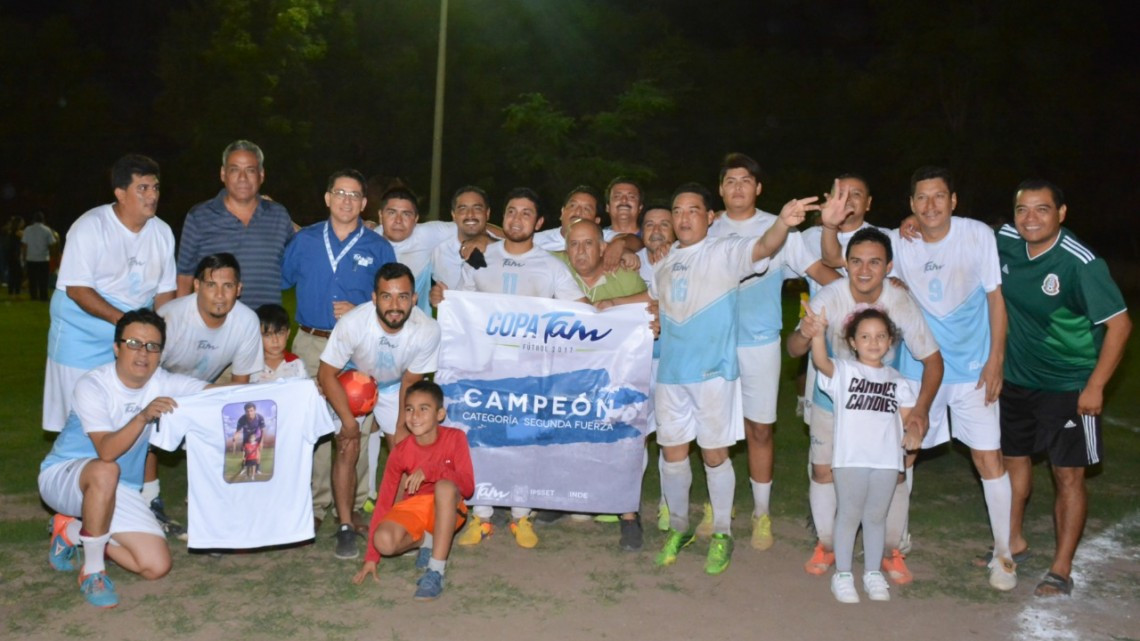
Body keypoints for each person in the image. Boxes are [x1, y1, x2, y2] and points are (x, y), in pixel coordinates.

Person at [824, 166, 1018, 591]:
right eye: (921, 199)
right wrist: (830, 222)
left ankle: (1003, 555)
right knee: (903, 455)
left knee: (989, 458)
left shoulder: (977, 236)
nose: (930, 206)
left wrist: (996, 360)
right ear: (910, 205)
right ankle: (895, 539)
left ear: (953, 201)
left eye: (939, 197)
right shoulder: (899, 241)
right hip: (918, 370)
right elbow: (844, 255)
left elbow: (995, 299)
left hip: (971, 370)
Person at [653, 181, 818, 575]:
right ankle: (678, 528)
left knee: (713, 454)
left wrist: (782, 222)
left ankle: (723, 533)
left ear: (710, 218)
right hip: (671, 376)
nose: (683, 217)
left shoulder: (724, 252)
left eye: (693, 210)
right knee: (673, 455)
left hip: (713, 375)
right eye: (677, 211)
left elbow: (761, 249)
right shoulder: (662, 261)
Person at [997, 179, 1131, 597]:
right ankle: (1012, 543)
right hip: (1016, 380)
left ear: (1061, 213)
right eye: (1022, 210)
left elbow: (1120, 326)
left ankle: (1061, 568)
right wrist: (911, 221)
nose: (1030, 219)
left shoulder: (1081, 263)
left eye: (1042, 209)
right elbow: (961, 230)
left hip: (1067, 384)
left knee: (1067, 475)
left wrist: (1095, 387)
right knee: (1012, 462)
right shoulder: (1008, 242)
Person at [704, 153, 840, 550]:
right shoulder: (707, 229)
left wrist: (871, 294)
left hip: (760, 343)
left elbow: (820, 274)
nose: (738, 187)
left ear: (758, 188)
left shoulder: (782, 230)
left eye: (746, 180)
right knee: (715, 431)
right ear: (720, 189)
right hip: (713, 345)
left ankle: (761, 514)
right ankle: (718, 506)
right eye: (730, 181)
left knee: (760, 428)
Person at [791, 228, 943, 583]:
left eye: (874, 262)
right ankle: (826, 544)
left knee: (896, 472)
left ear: (888, 266)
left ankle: (891, 549)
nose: (863, 270)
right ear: (845, 264)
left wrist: (919, 413)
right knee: (823, 470)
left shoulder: (899, 300)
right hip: (833, 400)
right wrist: (806, 332)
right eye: (856, 261)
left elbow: (933, 361)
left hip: (884, 406)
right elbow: (794, 350)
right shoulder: (830, 295)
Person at [40, 309, 208, 608]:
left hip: (121, 488)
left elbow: (216, 394)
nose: (143, 353)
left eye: (152, 346)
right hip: (64, 477)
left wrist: (282, 390)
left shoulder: (164, 382)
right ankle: (93, 572)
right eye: (133, 343)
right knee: (105, 470)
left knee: (155, 566)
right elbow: (106, 451)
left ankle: (73, 530)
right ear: (116, 347)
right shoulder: (93, 384)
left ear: (160, 354)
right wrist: (143, 416)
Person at [449, 187, 587, 549]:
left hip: (530, 375)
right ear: (503, 217)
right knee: (481, 442)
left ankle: (521, 515)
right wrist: (444, 300)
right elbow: (461, 305)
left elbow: (582, 310)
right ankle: (481, 517)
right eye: (512, 212)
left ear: (539, 222)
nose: (517, 219)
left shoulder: (551, 265)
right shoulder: (481, 258)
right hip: (484, 370)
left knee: (524, 444)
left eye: (527, 213)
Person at [281, 168, 396, 534]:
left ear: (364, 203)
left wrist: (363, 310)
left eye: (354, 195)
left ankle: (357, 499)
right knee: (313, 424)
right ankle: (315, 504)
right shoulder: (305, 240)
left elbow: (392, 302)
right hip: (311, 342)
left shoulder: (378, 247)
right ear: (328, 198)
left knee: (358, 423)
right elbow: (281, 282)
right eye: (340, 193)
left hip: (359, 345)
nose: (347, 201)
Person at [43, 154, 177, 436]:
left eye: (155, 188)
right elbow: (77, 289)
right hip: (80, 335)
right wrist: (128, 324)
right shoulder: (90, 226)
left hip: (131, 334)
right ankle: (71, 477)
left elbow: (165, 293)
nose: (152, 195)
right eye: (143, 188)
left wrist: (160, 335)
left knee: (125, 416)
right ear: (120, 193)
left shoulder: (162, 233)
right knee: (77, 420)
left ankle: (124, 480)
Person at [319, 262, 441, 560]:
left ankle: (398, 520)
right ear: (374, 297)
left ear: (414, 298)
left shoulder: (427, 329)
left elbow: (411, 382)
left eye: (403, 297)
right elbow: (326, 373)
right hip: (354, 378)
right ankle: (346, 525)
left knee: (404, 450)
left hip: (395, 385)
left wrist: (402, 427)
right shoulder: (353, 322)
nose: (395, 305)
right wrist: (349, 422)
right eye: (387, 296)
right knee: (347, 445)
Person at [804, 306, 920, 603]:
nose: (873, 342)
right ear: (853, 342)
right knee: (848, 516)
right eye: (865, 336)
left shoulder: (897, 379)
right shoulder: (844, 370)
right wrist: (817, 334)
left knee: (875, 518)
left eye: (881, 336)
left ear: (890, 340)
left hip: (885, 461)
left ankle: (871, 573)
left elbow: (909, 418)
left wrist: (913, 432)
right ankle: (842, 574)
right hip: (850, 459)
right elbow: (820, 361)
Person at [144, 252, 264, 533]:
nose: (220, 295)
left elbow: (239, 388)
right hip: (162, 381)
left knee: (238, 423)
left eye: (228, 286)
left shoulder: (246, 321)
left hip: (208, 387)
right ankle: (149, 498)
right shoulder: (171, 317)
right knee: (148, 425)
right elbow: (147, 373)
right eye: (211, 285)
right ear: (197, 286)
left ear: (239, 289)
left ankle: (217, 498)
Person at [554, 218, 651, 550]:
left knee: (624, 437)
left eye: (588, 244)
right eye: (574, 244)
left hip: (613, 376)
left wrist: (613, 305)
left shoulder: (623, 275)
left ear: (602, 247)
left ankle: (628, 514)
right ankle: (560, 500)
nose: (581, 251)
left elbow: (652, 303)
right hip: (567, 375)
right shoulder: (555, 268)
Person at [351, 380, 474, 601]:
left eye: (423, 409)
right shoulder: (401, 452)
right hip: (414, 510)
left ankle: (436, 570)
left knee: (444, 487)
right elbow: (385, 502)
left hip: (447, 509)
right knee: (384, 542)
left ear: (440, 414)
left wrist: (433, 470)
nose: (414, 416)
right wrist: (371, 557)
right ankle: (427, 541)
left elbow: (467, 487)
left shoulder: (455, 438)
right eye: (409, 409)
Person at [177, 140, 294, 309]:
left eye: (250, 170)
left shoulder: (278, 215)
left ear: (261, 175)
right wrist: (181, 320)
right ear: (223, 174)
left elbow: (302, 251)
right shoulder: (199, 216)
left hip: (265, 328)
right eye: (234, 170)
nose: (242, 178)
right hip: (215, 325)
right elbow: (184, 275)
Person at [429, 186, 499, 294]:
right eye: (463, 209)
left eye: (477, 208)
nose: (470, 214)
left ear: (487, 213)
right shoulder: (438, 253)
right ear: (453, 215)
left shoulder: (504, 250)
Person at [250, 303, 308, 383]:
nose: (275, 340)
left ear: (288, 334)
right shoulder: (250, 365)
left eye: (280, 333)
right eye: (267, 335)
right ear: (257, 336)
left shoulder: (296, 364)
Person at [22, 211, 58, 301]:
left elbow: (24, 245)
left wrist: (24, 256)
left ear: (33, 220)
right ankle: (43, 296)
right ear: (43, 220)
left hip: (31, 258)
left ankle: (33, 296)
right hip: (43, 258)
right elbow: (52, 244)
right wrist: (53, 256)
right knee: (43, 280)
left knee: (32, 279)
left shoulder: (27, 229)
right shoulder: (47, 230)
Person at [233, 403, 266, 480]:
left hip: (256, 436)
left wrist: (261, 442)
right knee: (245, 455)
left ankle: (257, 469)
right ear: (245, 412)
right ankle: (244, 468)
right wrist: (235, 437)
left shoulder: (260, 418)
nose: (249, 413)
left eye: (251, 411)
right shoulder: (242, 419)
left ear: (254, 410)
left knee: (257, 453)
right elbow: (237, 431)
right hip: (246, 436)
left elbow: (263, 431)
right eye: (247, 411)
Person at [5, 215, 24, 295]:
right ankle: (17, 290)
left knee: (12, 273)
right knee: (18, 273)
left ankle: (11, 290)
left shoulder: (10, 232)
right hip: (16, 254)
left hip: (10, 254)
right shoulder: (19, 233)